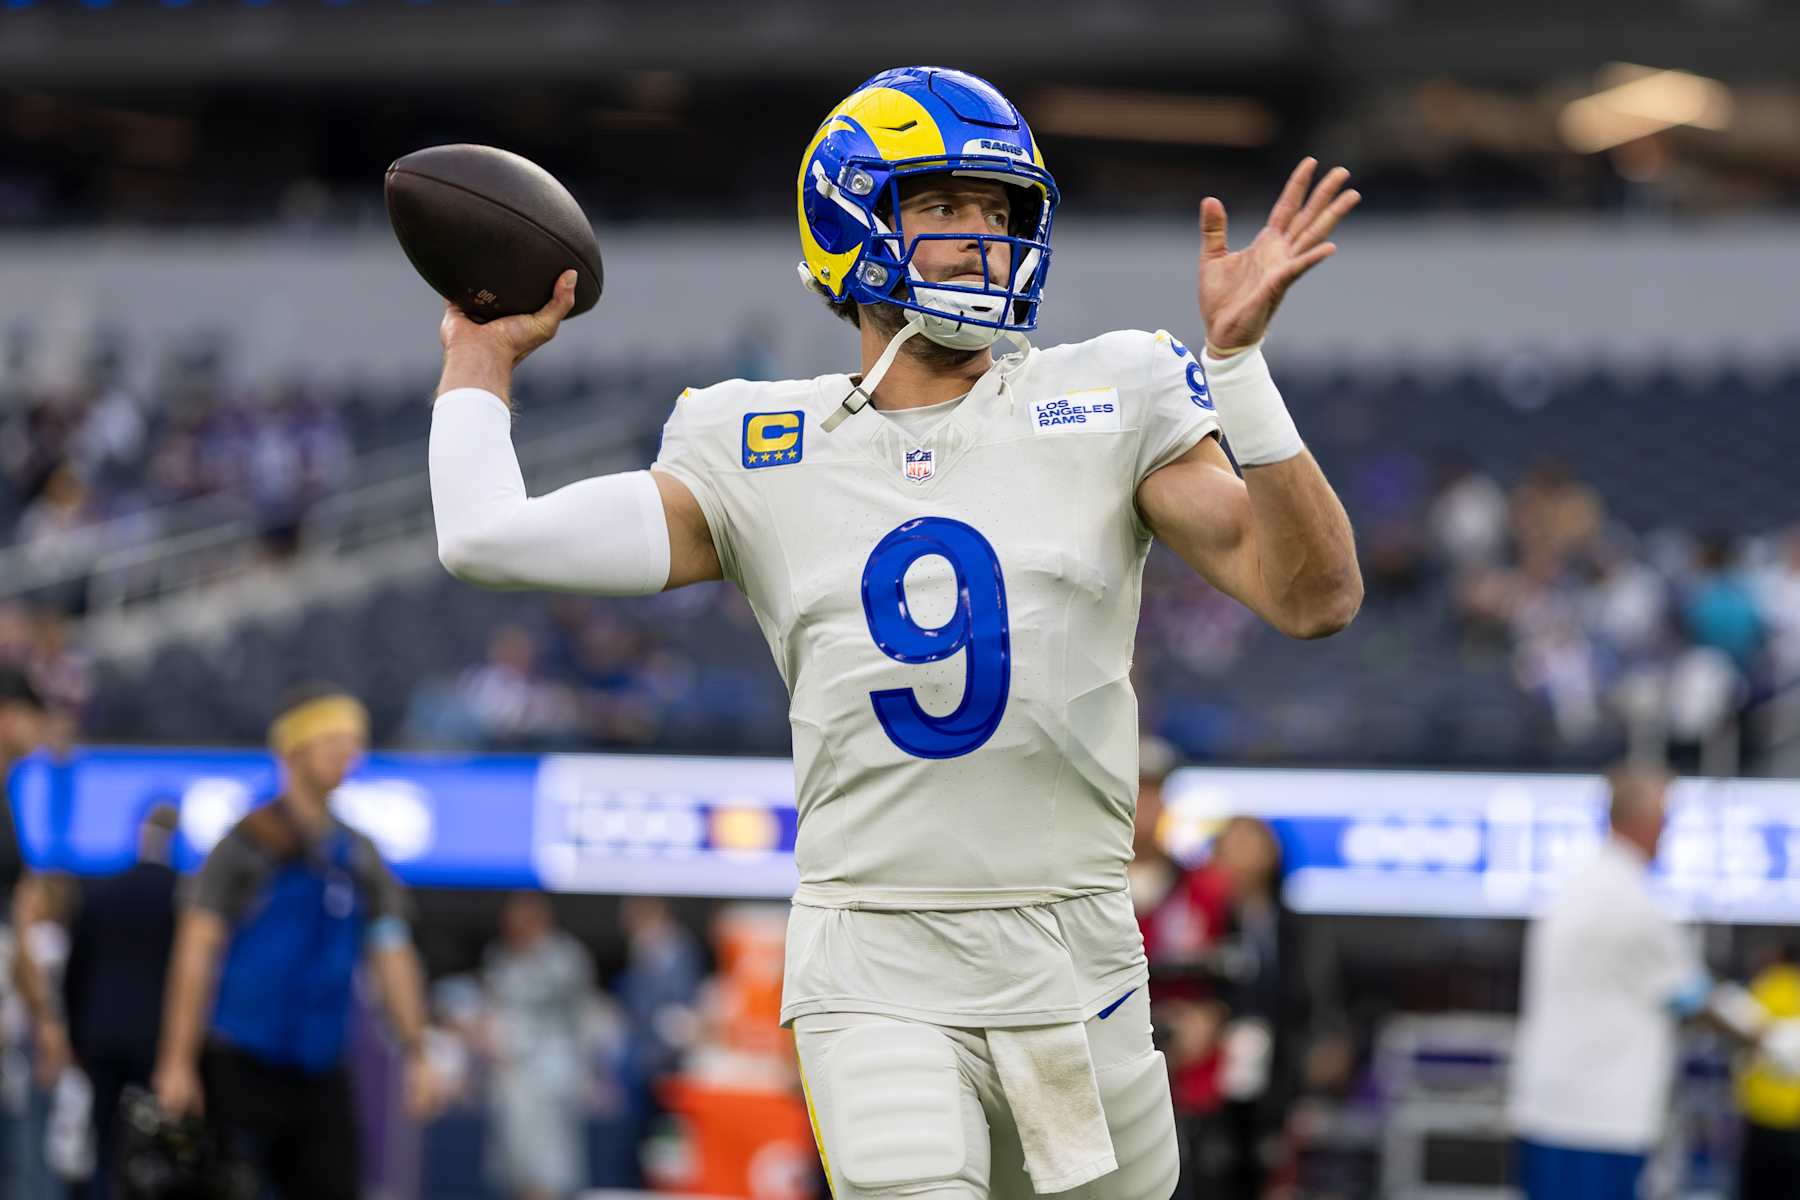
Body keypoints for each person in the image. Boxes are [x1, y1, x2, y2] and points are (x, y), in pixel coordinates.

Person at [428, 65, 1362, 1199]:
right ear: (852, 218)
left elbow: (1316, 598)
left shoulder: (1107, 395)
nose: (980, 236)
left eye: (997, 209)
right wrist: (478, 357)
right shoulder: (756, 442)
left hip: (1078, 955)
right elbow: (487, 536)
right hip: (876, 954)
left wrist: (1241, 373)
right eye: (943, 206)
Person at [150, 685, 442, 1200]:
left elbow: (392, 952)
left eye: (352, 743)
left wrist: (417, 1050)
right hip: (241, 1060)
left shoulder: (358, 856)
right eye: (331, 742)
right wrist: (177, 1060)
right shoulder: (247, 844)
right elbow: (196, 952)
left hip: (321, 1067)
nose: (346, 755)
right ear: (293, 751)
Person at [1507, 764, 1800, 1200]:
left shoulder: (1578, 887)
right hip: (1600, 1117)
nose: (1669, 831)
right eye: (1666, 818)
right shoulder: (1632, 902)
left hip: (1553, 1105)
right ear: (1643, 821)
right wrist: (1774, 1040)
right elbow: (1692, 996)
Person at [62, 804, 180, 1200]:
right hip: (156, 1041)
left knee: (103, 1144)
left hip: (102, 1035)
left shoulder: (103, 892)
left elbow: (76, 971)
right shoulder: (182, 898)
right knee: (156, 1150)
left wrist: (76, 1035)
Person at [482, 892, 594, 1200]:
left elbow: (577, 1018)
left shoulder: (564, 957)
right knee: (516, 1170)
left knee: (547, 1169)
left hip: (549, 1077)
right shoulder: (501, 957)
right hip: (511, 1080)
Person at [1735, 945, 1800, 1200]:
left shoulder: (1766, 987)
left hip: (1761, 1110)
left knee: (1759, 1186)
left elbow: (1744, 1034)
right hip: (1795, 1115)